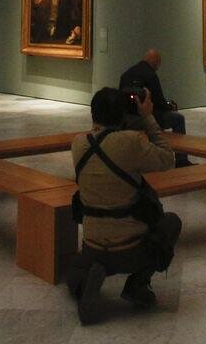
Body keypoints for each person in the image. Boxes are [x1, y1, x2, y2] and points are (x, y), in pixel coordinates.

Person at [66, 86, 181, 324]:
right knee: (171, 223)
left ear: (92, 113)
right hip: (131, 251)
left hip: (92, 246)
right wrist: (147, 117)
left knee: (76, 269)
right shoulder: (130, 142)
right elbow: (167, 158)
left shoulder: (78, 143)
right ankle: (137, 284)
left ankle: (91, 275)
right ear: (124, 114)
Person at [119, 49, 191, 166]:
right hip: (146, 118)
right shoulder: (151, 75)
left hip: (127, 119)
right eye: (158, 64)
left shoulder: (126, 74)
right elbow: (159, 102)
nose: (158, 67)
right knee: (178, 118)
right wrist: (170, 106)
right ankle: (181, 160)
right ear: (155, 62)